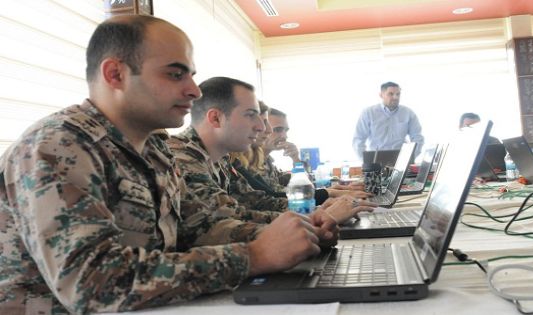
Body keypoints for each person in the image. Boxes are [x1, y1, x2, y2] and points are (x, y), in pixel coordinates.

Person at [0, 16, 335, 314]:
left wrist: (294, 234)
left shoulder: (154, 148)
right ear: (115, 74)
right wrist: (254, 256)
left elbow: (198, 229)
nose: (192, 91)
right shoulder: (56, 146)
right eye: (175, 74)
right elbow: (92, 284)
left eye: (190, 75)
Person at [168, 77, 374, 225]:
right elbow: (226, 220)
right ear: (215, 118)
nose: (261, 128)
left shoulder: (220, 159)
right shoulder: (183, 157)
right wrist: (316, 217)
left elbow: (258, 202)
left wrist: (318, 210)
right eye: (251, 115)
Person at [229, 102, 371, 207]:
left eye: (285, 130)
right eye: (277, 129)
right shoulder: (239, 163)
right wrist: (331, 193)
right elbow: (272, 198)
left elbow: (305, 184)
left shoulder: (266, 161)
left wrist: (296, 160)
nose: (284, 135)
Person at [353, 81, 424, 158]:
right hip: (376, 159)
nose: (395, 97)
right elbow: (358, 140)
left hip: (401, 159)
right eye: (391, 94)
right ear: (381, 95)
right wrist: (366, 161)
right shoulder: (368, 113)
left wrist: (410, 158)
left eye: (398, 94)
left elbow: (418, 138)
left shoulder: (408, 113)